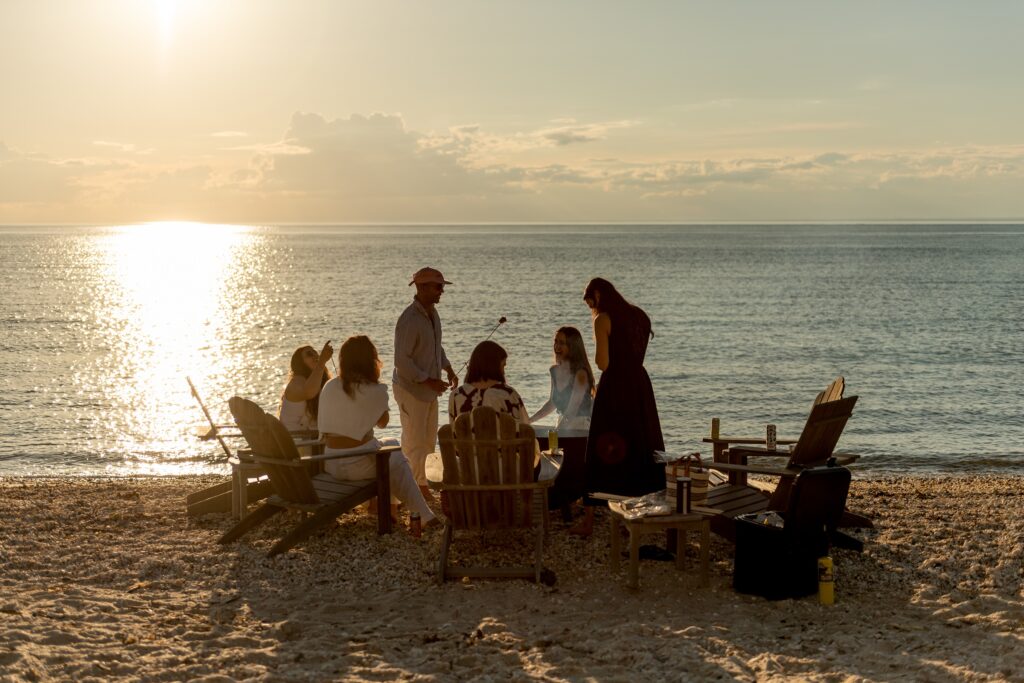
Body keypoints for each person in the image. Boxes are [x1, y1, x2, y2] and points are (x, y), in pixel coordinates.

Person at [572, 278, 665, 536]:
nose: (590, 307)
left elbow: (603, 363)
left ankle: (590, 520)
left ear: (598, 295)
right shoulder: (640, 317)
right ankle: (637, 514)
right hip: (639, 386)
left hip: (615, 387)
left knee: (603, 448)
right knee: (639, 446)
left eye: (589, 301)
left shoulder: (603, 319)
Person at [319, 335, 436, 529]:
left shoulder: (330, 386)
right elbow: (383, 422)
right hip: (355, 465)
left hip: (331, 462)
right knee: (396, 459)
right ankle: (423, 514)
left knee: (390, 443)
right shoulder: (373, 389)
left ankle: (391, 510)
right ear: (370, 361)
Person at [393, 267, 458, 498]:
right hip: (411, 389)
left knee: (429, 439)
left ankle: (421, 484)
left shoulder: (432, 314)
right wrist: (428, 380)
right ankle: (415, 488)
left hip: (428, 390)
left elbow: (435, 347)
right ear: (421, 288)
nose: (442, 291)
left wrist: (448, 368)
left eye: (442, 286)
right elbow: (402, 361)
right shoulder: (409, 319)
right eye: (438, 287)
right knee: (414, 440)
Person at [528, 327, 595, 430]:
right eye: (555, 341)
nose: (557, 346)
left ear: (572, 346)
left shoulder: (581, 373)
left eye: (562, 343)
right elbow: (552, 403)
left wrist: (557, 432)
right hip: (562, 423)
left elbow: (573, 409)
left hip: (580, 427)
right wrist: (529, 420)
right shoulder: (554, 371)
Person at [449, 341, 530, 424]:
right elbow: (525, 428)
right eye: (503, 366)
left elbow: (453, 431)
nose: (503, 372)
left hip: (466, 437)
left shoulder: (456, 395)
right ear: (493, 366)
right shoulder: (508, 394)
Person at [278, 342, 333, 432]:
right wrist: (322, 362)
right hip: (295, 440)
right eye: (309, 354)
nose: (315, 355)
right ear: (300, 363)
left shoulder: (318, 381)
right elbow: (309, 392)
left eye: (316, 352)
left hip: (309, 438)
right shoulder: (296, 382)